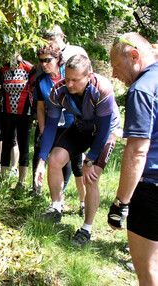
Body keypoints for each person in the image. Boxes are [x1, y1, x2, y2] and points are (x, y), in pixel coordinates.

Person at [34, 54, 121, 246]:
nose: (70, 84)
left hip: (104, 133)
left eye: (75, 80)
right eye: (67, 79)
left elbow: (104, 131)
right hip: (81, 127)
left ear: (88, 76)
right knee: (55, 159)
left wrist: (89, 161)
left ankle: (86, 228)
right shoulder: (59, 90)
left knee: (91, 177)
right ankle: (56, 208)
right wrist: (42, 159)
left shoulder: (102, 89)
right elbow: (50, 126)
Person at [108, 33, 158, 285]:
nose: (115, 75)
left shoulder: (142, 89)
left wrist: (121, 203)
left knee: (149, 272)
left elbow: (137, 151)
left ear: (135, 57)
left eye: (116, 66)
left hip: (151, 189)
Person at [32, 42, 86, 210]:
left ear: (58, 58)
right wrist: (42, 128)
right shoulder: (41, 80)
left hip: (74, 124)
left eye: (47, 60)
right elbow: (41, 106)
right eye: (40, 61)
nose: (44, 64)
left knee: (77, 165)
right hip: (53, 124)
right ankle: (58, 202)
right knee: (57, 161)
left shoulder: (68, 75)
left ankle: (83, 202)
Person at [0, 52, 35, 188]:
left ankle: (21, 181)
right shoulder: (3, 69)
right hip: (7, 111)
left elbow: (34, 89)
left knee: (24, 144)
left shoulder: (29, 68)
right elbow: (2, 87)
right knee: (6, 143)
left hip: (25, 112)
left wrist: (35, 113)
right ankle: (3, 179)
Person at [0, 85, 19, 176]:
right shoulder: (4, 71)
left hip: (16, 108)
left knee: (13, 139)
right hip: (3, 106)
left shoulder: (23, 72)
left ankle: (14, 168)